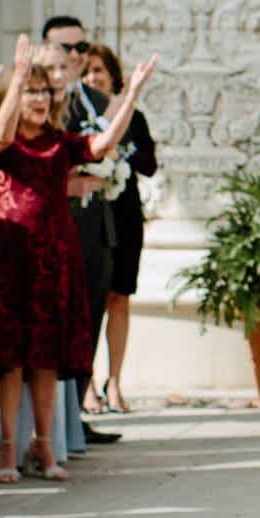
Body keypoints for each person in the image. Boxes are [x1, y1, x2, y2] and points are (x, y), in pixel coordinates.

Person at [0, 34, 155, 484]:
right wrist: (19, 75)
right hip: (10, 260)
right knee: (11, 357)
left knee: (46, 357)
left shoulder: (60, 141)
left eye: (43, 91)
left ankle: (43, 444)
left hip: (55, 259)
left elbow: (101, 146)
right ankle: (6, 448)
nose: (38, 99)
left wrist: (131, 95)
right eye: (30, 91)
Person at [43, 14, 119, 446]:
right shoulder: (39, 101)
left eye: (81, 49)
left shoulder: (95, 98)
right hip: (58, 229)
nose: (75, 57)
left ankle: (75, 417)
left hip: (99, 228)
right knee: (59, 326)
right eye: (65, 49)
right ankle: (55, 423)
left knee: (89, 322)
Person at [82, 43, 158, 415]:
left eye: (99, 70)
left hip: (125, 215)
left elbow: (150, 164)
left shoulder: (134, 117)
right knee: (89, 300)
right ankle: (87, 384)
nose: (93, 77)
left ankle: (115, 381)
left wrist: (123, 153)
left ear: (113, 75)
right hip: (93, 216)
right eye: (88, 72)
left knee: (119, 297)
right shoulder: (80, 117)